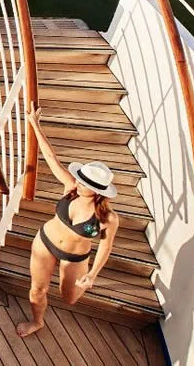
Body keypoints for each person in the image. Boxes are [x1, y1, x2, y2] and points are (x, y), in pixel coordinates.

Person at [15, 121, 122, 338]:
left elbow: (105, 246)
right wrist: (35, 125)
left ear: (97, 191)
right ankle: (37, 322)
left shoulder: (107, 218)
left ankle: (78, 283)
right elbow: (51, 158)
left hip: (75, 257)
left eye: (84, 184)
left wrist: (91, 275)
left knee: (70, 298)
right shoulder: (71, 188)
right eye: (80, 180)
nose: (78, 183)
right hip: (45, 243)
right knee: (37, 290)